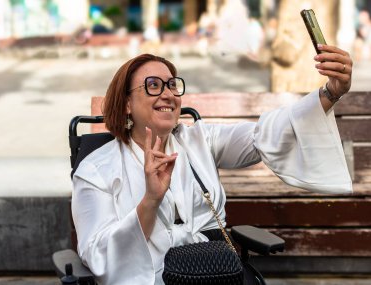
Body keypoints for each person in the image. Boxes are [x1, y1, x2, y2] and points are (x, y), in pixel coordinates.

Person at [72, 45, 353, 285]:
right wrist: (151, 201)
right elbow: (98, 254)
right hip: (148, 276)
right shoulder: (96, 169)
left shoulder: (199, 139)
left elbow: (265, 136)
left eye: (172, 85)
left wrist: (330, 93)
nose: (168, 93)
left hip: (215, 271)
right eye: (153, 85)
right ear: (126, 104)